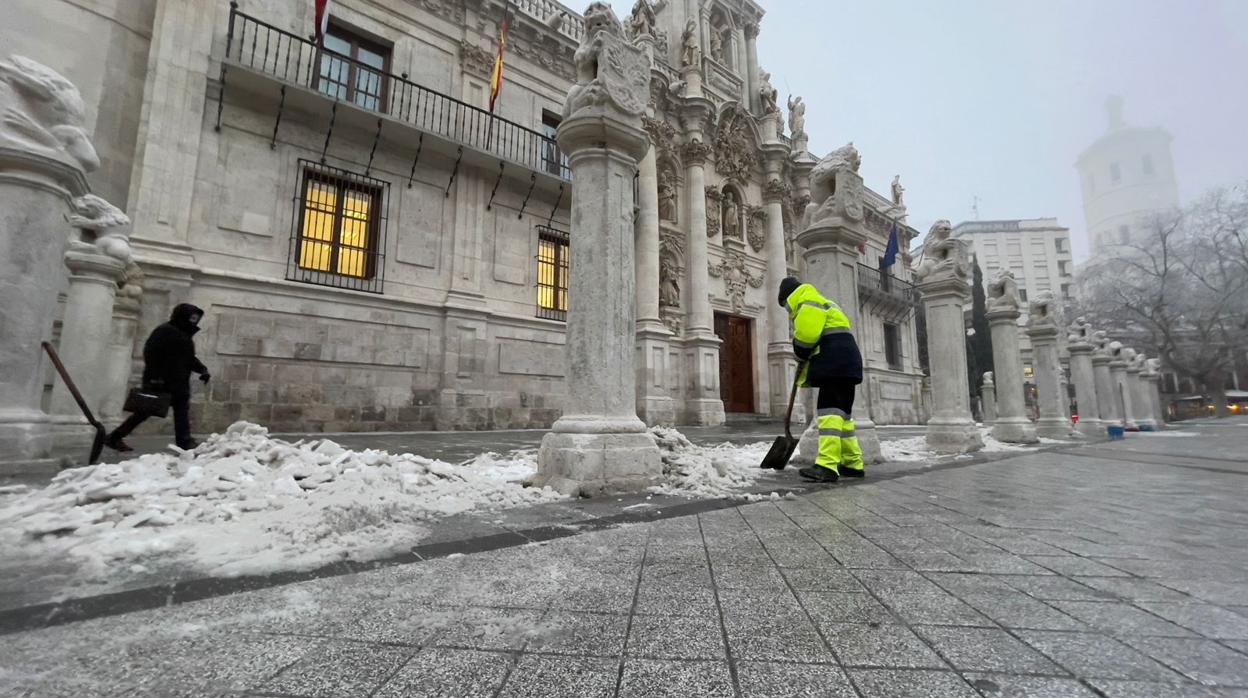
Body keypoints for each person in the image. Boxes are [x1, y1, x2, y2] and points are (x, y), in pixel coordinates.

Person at [777, 277, 864, 482]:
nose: (788, 311)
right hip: (847, 363)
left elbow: (806, 338)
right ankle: (853, 463)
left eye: (785, 306)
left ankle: (826, 465)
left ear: (788, 297)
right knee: (843, 418)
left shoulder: (806, 303)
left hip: (834, 365)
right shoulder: (821, 300)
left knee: (829, 414)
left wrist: (799, 351)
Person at [105, 303, 211, 452]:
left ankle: (184, 442)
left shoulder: (183, 334)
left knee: (181, 411)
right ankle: (114, 437)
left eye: (196, 318)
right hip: (161, 382)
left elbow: (188, 358)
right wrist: (156, 378)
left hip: (178, 383)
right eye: (191, 317)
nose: (194, 321)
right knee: (144, 412)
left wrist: (202, 370)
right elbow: (151, 354)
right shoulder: (165, 331)